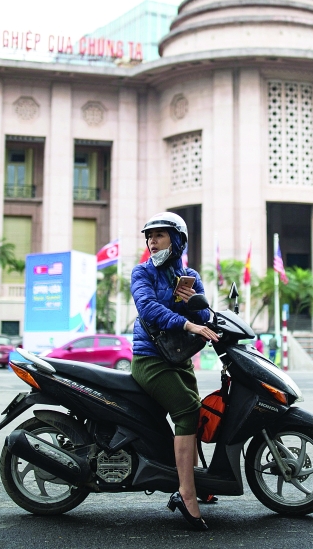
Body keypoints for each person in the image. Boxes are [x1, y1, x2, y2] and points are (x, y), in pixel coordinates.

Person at [130, 212, 219, 530]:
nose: (152, 242)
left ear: (177, 240)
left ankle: (191, 481)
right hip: (150, 359)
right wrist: (186, 321)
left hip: (179, 358)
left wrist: (194, 300)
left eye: (159, 236)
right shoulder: (142, 273)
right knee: (188, 412)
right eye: (149, 237)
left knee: (197, 415)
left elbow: (207, 311)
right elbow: (148, 308)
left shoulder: (189, 274)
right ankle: (186, 493)